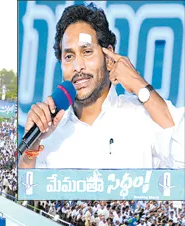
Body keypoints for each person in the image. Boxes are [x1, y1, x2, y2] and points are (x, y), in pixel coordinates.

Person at [19, 3, 184, 169]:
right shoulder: (48, 134)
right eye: (69, 56)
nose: (78, 66)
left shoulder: (141, 116)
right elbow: (27, 190)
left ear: (108, 56)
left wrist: (138, 85)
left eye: (87, 52)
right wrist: (31, 148)